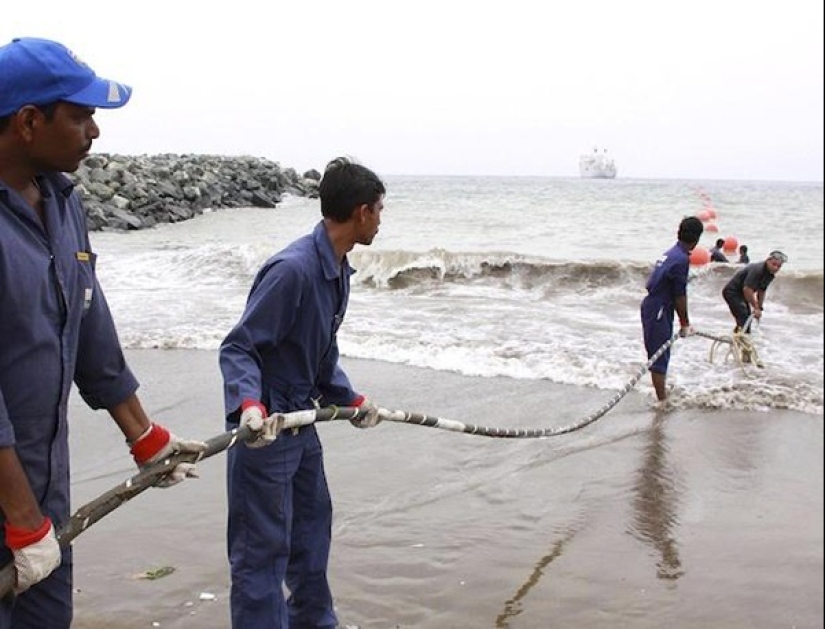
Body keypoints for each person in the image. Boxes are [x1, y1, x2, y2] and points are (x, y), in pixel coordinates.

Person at [0, 37, 206, 628]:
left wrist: (145, 436)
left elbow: (89, 323)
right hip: (13, 501)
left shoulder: (62, 201)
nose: (95, 132)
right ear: (29, 122)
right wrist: (21, 520)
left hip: (45, 487)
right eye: (81, 115)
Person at [219, 156, 385, 628]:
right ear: (361, 212)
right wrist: (249, 406)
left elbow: (318, 354)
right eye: (379, 210)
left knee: (311, 537)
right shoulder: (291, 270)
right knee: (261, 554)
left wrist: (350, 400)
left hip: (302, 424)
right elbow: (240, 347)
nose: (380, 220)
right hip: (267, 430)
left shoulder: (338, 270)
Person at [640, 216, 704, 402]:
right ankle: (662, 401)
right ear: (697, 238)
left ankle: (661, 394)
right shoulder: (681, 259)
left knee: (659, 353)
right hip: (658, 309)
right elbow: (679, 295)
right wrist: (685, 324)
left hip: (653, 305)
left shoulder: (671, 253)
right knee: (659, 358)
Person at [722, 250, 787, 334]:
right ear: (768, 260)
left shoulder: (770, 274)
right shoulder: (758, 270)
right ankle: (741, 338)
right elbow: (747, 289)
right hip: (732, 292)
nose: (776, 268)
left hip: (742, 294)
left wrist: (759, 307)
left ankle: (737, 337)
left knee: (747, 319)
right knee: (744, 316)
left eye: (779, 266)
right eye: (774, 264)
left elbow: (762, 291)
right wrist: (755, 307)